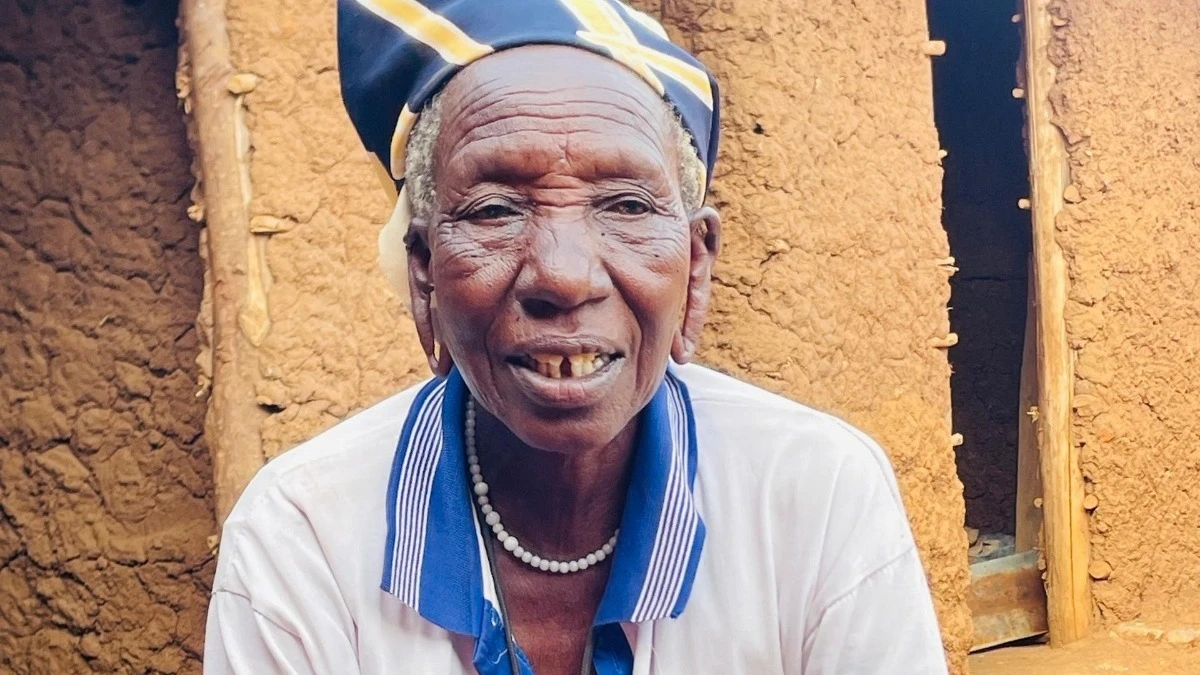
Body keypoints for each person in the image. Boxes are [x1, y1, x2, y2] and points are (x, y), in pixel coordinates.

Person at [203, 1, 949, 673]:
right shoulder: (302, 540)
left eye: (625, 204)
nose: (563, 276)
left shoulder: (814, 495)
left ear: (694, 271)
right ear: (425, 276)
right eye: (496, 209)